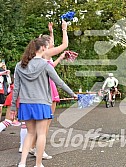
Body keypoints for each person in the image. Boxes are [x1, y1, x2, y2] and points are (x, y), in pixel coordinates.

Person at [11, 37, 77, 167]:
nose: (48, 49)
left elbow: (16, 88)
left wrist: (13, 106)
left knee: (30, 133)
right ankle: (38, 163)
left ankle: (22, 163)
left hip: (25, 104)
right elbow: (59, 82)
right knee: (41, 134)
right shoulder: (45, 64)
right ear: (42, 48)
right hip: (41, 103)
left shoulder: (20, 65)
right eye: (46, 47)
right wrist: (72, 94)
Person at [28, 20, 68, 159]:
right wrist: (64, 29)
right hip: (48, 89)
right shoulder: (46, 54)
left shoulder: (40, 55)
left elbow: (51, 68)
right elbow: (64, 45)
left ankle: (33, 147)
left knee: (37, 124)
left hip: (40, 89)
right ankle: (40, 150)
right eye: (51, 42)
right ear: (45, 45)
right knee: (45, 124)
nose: (53, 45)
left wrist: (51, 32)